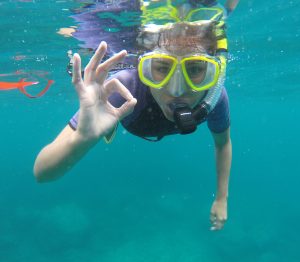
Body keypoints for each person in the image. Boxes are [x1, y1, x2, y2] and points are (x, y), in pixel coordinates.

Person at [34, 2, 239, 231]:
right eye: (161, 68)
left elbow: (223, 144)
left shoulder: (215, 98)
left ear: (215, 72)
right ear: (143, 66)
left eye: (195, 69)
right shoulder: (123, 87)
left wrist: (222, 199)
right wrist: (82, 138)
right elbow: (42, 172)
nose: (177, 90)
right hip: (125, 116)